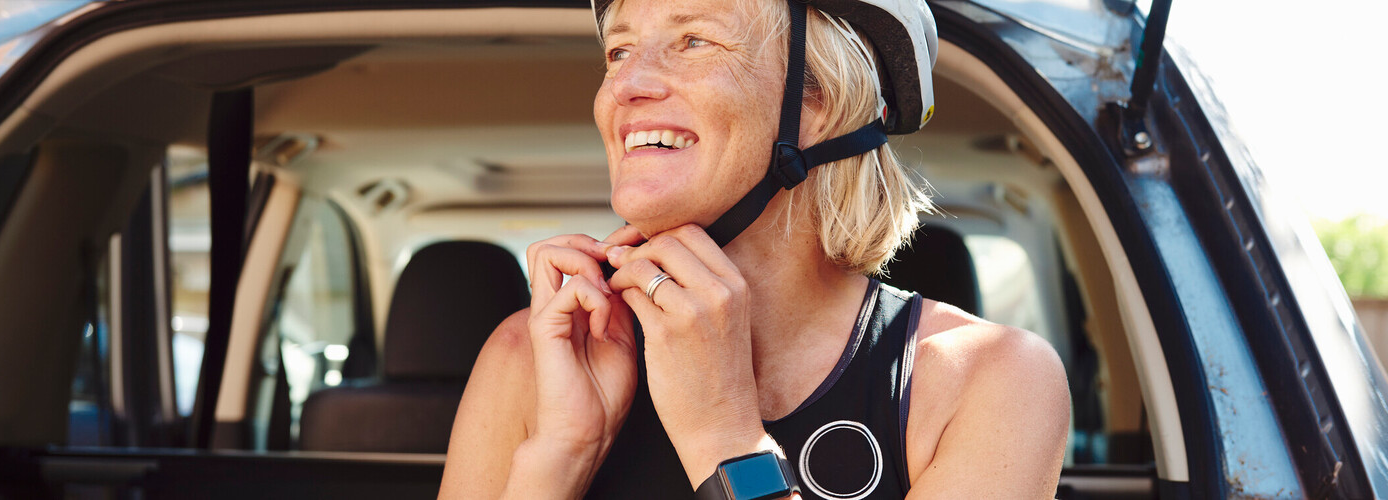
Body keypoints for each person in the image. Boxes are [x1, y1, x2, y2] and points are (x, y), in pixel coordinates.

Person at [439, 0, 1070, 497]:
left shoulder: (985, 379)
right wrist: (562, 453)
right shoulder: (532, 356)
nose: (624, 85)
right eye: (619, 49)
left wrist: (723, 437)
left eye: (693, 40)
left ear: (820, 100)